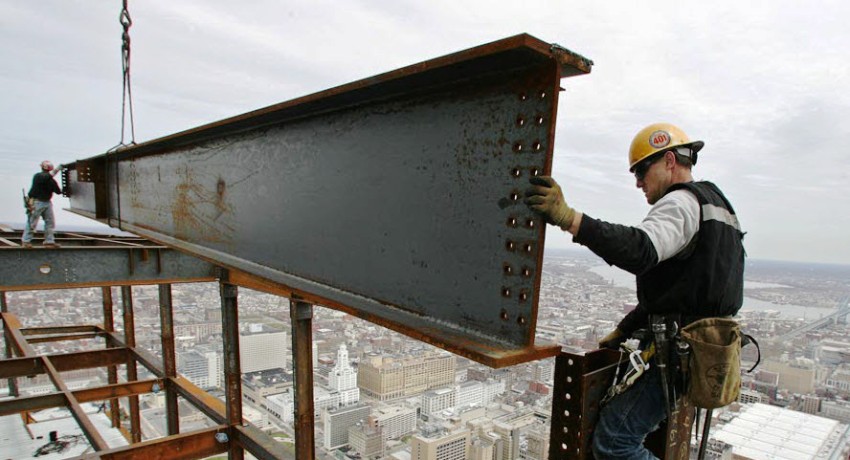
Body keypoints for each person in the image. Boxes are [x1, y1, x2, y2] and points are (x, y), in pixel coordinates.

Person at [525, 122, 745, 459]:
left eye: (642, 169)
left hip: (679, 349)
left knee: (614, 444)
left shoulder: (682, 202)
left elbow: (641, 250)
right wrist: (625, 329)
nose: (638, 182)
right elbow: (685, 291)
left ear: (670, 160)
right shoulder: (720, 207)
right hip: (707, 349)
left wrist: (569, 218)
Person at [22, 160, 64, 248]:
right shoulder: (39, 176)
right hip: (37, 202)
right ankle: (26, 241)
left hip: (46, 202)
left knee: (49, 222)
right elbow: (46, 178)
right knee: (32, 222)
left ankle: (49, 241)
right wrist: (58, 169)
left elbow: (58, 191)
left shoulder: (51, 181)